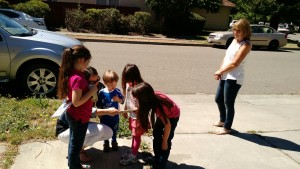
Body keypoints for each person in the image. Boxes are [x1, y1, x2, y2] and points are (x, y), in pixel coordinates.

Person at [56, 66, 118, 163]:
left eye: (98, 79)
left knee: (108, 132)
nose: (96, 84)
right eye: (92, 82)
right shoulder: (78, 91)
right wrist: (107, 111)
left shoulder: (98, 87)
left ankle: (76, 147)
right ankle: (77, 151)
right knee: (100, 130)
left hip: (81, 124)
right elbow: (88, 111)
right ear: (84, 81)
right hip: (67, 129)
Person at [57, 45, 98, 169]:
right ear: (81, 60)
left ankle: (73, 164)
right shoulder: (78, 78)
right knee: (76, 144)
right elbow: (76, 102)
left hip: (76, 115)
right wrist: (91, 92)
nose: (88, 64)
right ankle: (75, 166)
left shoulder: (74, 73)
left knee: (74, 142)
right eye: (88, 61)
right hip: (79, 117)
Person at [213, 19, 252, 135]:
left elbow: (235, 63)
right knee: (218, 99)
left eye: (239, 30)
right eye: (234, 30)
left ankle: (227, 127)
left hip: (235, 77)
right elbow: (226, 58)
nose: (236, 32)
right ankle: (222, 120)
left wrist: (220, 71)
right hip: (225, 74)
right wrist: (220, 71)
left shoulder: (246, 45)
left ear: (245, 31)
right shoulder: (234, 41)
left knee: (228, 102)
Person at [132, 82, 180, 169]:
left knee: (166, 140)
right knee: (156, 133)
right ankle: (157, 158)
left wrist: (164, 141)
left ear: (144, 98)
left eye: (137, 99)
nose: (136, 100)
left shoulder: (159, 106)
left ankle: (161, 164)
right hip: (164, 115)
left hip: (172, 117)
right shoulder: (151, 96)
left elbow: (168, 125)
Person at [119, 63, 145, 166]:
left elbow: (144, 104)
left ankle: (133, 157)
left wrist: (137, 110)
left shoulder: (140, 88)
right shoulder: (128, 84)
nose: (128, 82)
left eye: (130, 79)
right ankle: (133, 151)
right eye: (126, 79)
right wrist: (125, 109)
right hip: (131, 115)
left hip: (138, 117)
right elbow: (127, 98)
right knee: (133, 135)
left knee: (136, 136)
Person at [96, 70, 124, 152]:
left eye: (115, 84)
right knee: (105, 130)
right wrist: (99, 114)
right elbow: (99, 104)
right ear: (105, 83)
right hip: (104, 117)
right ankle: (106, 143)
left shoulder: (117, 91)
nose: (114, 86)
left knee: (114, 130)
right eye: (111, 84)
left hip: (114, 116)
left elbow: (122, 101)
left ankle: (114, 142)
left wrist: (117, 99)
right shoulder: (101, 92)